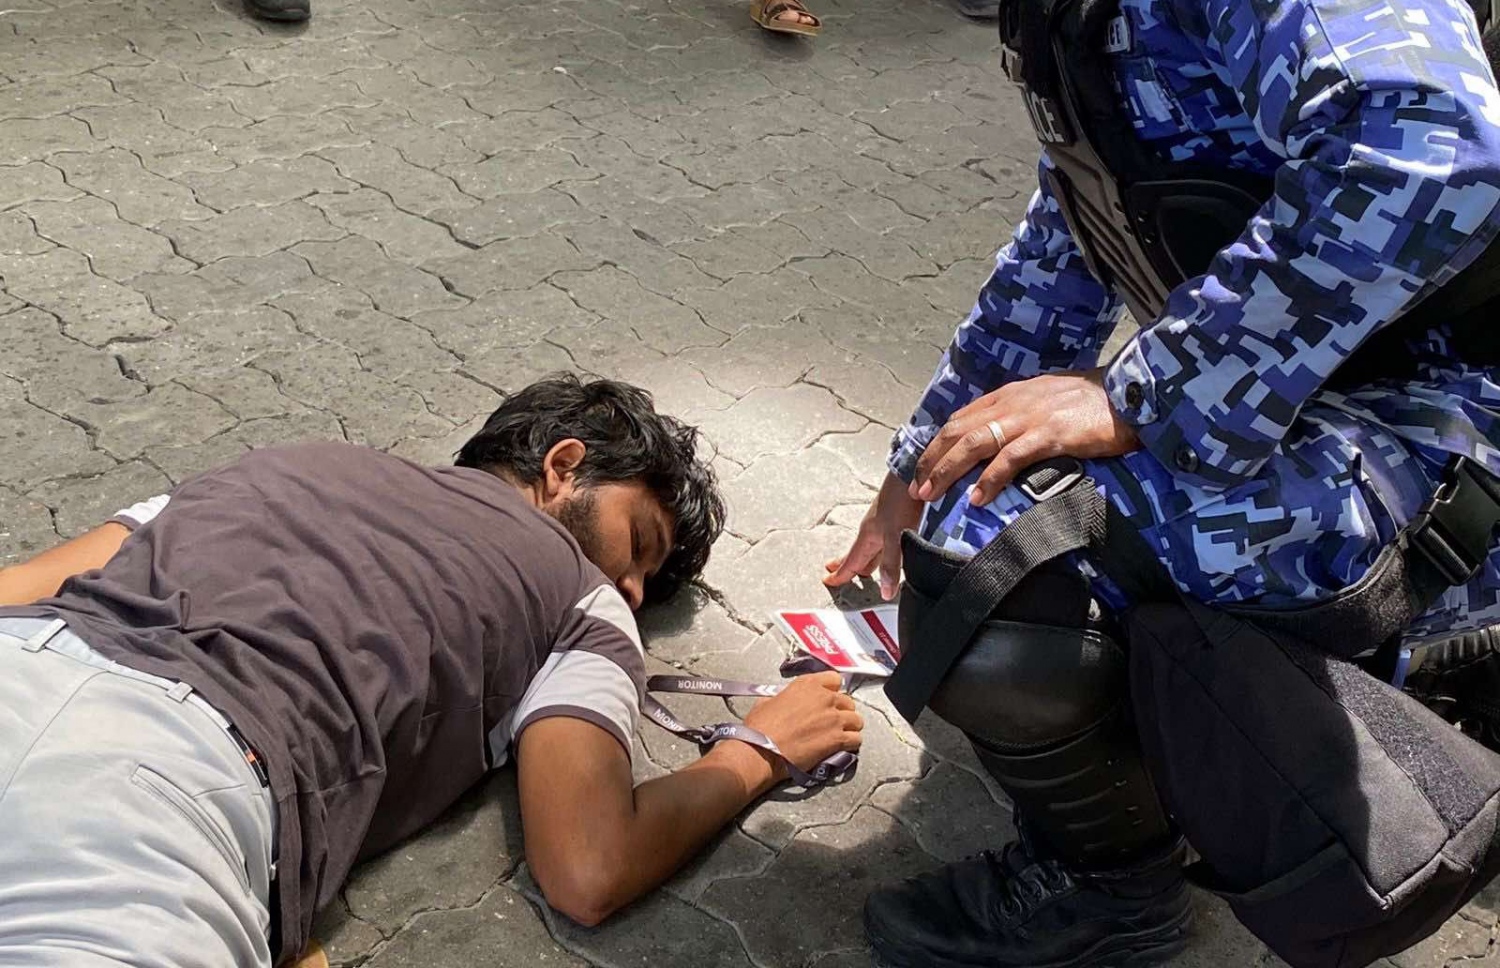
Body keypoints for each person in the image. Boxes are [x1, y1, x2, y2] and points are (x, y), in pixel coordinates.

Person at [825, 0, 1500, 966]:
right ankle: (1382, 674)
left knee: (1015, 563)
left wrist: (1148, 395)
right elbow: (1069, 236)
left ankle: (1112, 891)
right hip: (1325, 401)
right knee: (962, 513)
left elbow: (1430, 146)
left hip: (1450, 422)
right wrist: (920, 467)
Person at [0, 374, 864, 968]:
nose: (632, 591)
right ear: (563, 465)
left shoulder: (288, 459)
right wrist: (756, 751)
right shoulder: (580, 595)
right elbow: (588, 867)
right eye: (638, 544)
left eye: (646, 584)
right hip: (164, 788)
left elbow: (23, 587)